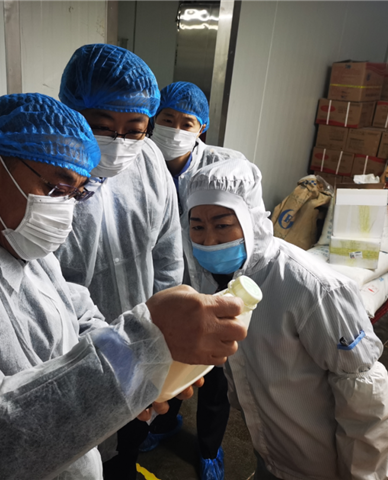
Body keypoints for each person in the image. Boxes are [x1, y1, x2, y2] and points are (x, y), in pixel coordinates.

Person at [0, 93, 249, 480]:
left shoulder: (15, 238)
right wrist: (139, 346)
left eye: (77, 194)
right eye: (55, 189)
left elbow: (78, 318)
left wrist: (142, 373)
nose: (64, 212)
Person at [179, 159, 388, 480]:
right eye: (197, 227)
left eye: (222, 225)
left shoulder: (314, 288)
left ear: (251, 220)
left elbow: (363, 395)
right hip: (269, 448)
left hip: (320, 465)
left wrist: (364, 475)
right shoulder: (212, 279)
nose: (208, 241)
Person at [54, 44, 184, 478]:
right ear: (72, 112)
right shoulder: (49, 173)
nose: (118, 142)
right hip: (70, 353)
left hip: (142, 333)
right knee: (76, 452)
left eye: (134, 129)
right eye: (102, 126)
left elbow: (167, 251)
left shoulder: (149, 161)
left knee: (128, 442)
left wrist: (163, 334)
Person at [145, 81, 251, 480]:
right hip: (164, 282)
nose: (174, 129)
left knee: (214, 372)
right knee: (168, 359)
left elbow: (251, 226)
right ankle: (166, 422)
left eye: (185, 122)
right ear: (154, 120)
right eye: (167, 119)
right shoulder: (140, 162)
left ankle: (208, 448)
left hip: (215, 279)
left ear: (201, 127)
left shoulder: (225, 167)